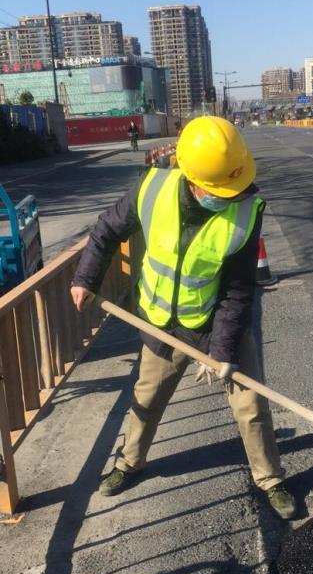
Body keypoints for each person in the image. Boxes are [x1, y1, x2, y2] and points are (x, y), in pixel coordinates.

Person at [70, 116, 297, 520]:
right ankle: (129, 463)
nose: (230, 197)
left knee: (250, 403)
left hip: (212, 324)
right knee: (146, 399)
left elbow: (238, 289)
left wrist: (223, 352)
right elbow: (106, 229)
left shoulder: (245, 211)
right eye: (219, 191)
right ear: (192, 179)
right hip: (160, 324)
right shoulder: (151, 189)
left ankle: (269, 478)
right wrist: (85, 279)